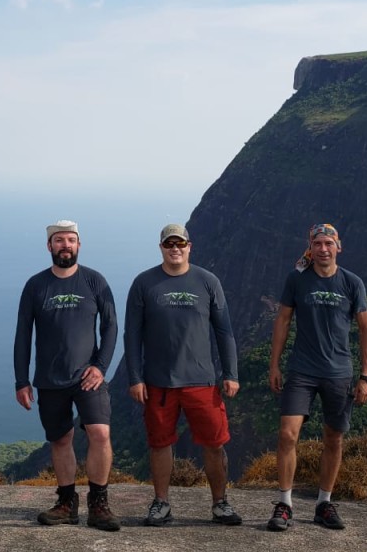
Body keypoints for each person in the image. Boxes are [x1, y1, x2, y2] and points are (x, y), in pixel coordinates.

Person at [124, 223, 242, 527]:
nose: (175, 249)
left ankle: (220, 503)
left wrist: (230, 373)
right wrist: (135, 377)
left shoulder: (208, 281)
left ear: (190, 246)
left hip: (202, 381)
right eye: (169, 244)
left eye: (180, 244)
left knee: (214, 443)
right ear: (161, 247)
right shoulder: (144, 284)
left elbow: (224, 330)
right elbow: (132, 335)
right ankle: (161, 503)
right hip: (159, 382)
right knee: (160, 443)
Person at [13, 220, 121, 532]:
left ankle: (99, 502)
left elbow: (111, 325)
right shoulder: (36, 286)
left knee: (100, 433)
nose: (65, 245)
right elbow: (23, 335)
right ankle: (66, 502)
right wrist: (21, 380)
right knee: (61, 438)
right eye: (59, 240)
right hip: (49, 378)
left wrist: (101, 366)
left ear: (79, 245)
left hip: (89, 377)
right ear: (49, 246)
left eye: (71, 240)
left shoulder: (94, 281)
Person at [267, 223, 367, 532]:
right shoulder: (297, 279)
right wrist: (274, 365)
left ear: (338, 246)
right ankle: (284, 503)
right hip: (301, 370)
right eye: (318, 243)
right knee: (287, 434)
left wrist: (366, 377)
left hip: (338, 373)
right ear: (310, 247)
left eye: (329, 243)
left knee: (333, 438)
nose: (323, 248)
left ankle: (324, 504)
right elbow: (283, 320)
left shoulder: (352, 283)